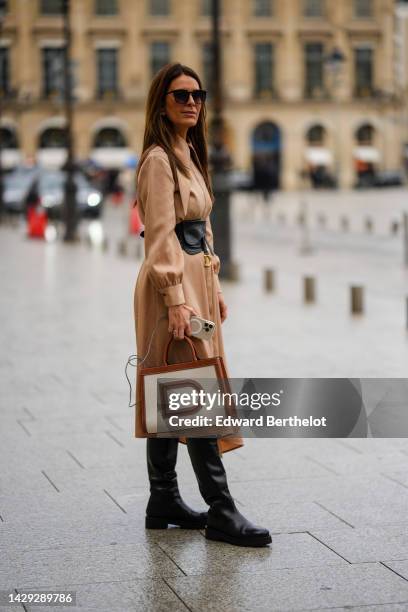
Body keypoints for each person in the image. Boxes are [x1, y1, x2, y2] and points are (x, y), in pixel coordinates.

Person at [133, 62, 271, 547]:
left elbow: (201, 226)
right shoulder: (158, 159)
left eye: (198, 94)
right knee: (194, 393)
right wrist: (176, 298)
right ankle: (221, 509)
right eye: (180, 95)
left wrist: (214, 290)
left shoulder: (187, 151)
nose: (192, 102)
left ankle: (162, 499)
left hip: (196, 279)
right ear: (162, 102)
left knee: (175, 387)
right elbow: (160, 235)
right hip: (172, 283)